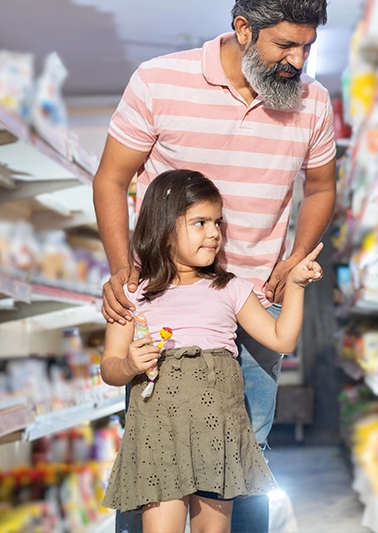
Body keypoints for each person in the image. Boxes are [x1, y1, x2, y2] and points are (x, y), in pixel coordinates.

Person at [92, 0, 336, 531]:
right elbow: (110, 178)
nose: (297, 61)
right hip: (170, 304)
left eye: (307, 46)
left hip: (253, 301)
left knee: (246, 457)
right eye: (285, 45)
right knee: (157, 455)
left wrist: (295, 258)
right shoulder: (158, 80)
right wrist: (122, 268)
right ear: (243, 27)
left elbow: (321, 186)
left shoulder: (313, 103)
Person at [100, 169, 324, 533]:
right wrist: (128, 364)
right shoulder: (132, 296)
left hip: (217, 434)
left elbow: (282, 339)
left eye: (218, 222)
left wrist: (296, 285)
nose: (214, 233)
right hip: (158, 436)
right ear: (163, 225)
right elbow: (109, 368)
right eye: (200, 222)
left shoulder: (231, 288)